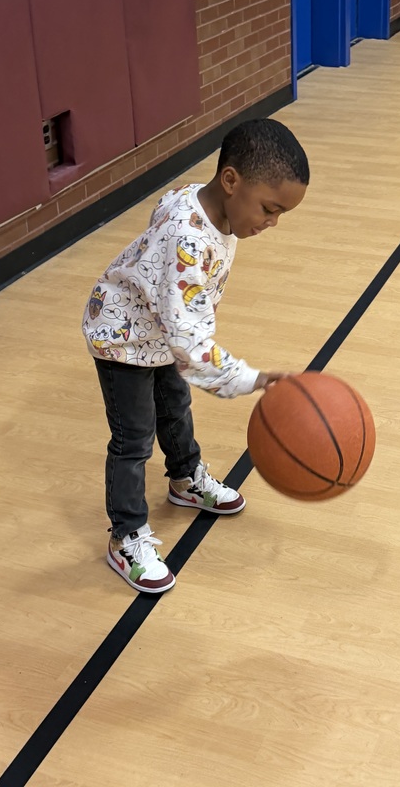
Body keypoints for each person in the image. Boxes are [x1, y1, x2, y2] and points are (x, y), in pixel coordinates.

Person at [81, 117, 309, 593]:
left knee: (175, 409)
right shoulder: (189, 238)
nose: (271, 222)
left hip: (156, 333)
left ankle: (185, 480)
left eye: (280, 214)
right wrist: (249, 378)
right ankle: (125, 536)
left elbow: (180, 313)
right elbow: (188, 340)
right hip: (122, 340)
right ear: (231, 180)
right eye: (269, 208)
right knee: (133, 441)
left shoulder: (204, 204)